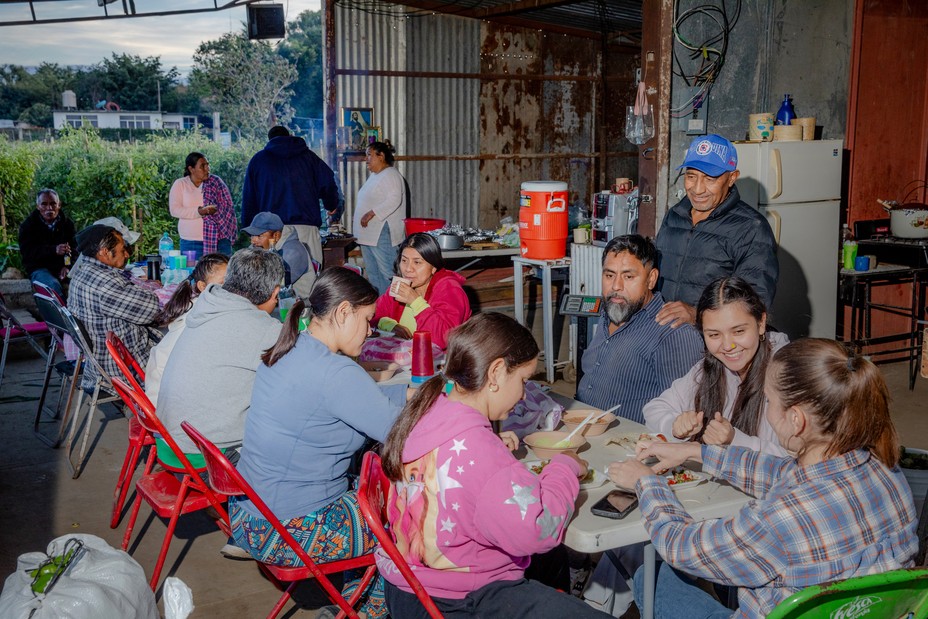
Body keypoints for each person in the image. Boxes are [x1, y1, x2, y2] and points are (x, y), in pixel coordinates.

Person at [609, 338, 918, 619]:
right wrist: (695, 452)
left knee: (652, 578)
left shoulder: (782, 517)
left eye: (770, 402)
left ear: (795, 419)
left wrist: (645, 481)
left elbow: (680, 546)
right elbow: (783, 473)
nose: (768, 411)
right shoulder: (887, 471)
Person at [377, 312, 609, 619]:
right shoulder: (480, 450)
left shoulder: (428, 412)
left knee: (549, 563)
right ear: (497, 372)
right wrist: (564, 467)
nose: (525, 393)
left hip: (409, 589)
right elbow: (540, 529)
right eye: (524, 380)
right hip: (458, 601)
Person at [232, 267, 410, 618]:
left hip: (248, 515)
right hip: (287, 530)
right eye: (367, 319)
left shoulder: (287, 349)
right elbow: (401, 433)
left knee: (366, 498)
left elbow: (355, 401)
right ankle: (364, 612)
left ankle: (350, 601)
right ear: (343, 312)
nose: (370, 329)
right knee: (403, 520)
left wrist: (406, 392)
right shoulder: (337, 373)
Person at [156, 248, 283, 461]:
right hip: (207, 459)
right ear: (275, 293)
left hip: (170, 443)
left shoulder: (207, 305)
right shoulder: (263, 329)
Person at [644, 277, 788, 456]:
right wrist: (674, 424)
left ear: (761, 323)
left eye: (738, 331)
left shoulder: (788, 375)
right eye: (714, 335)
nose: (728, 346)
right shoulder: (710, 366)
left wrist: (735, 439)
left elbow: (798, 461)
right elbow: (653, 409)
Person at [576, 235, 703, 425]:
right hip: (579, 429)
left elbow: (685, 416)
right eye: (609, 275)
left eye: (628, 277)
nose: (616, 286)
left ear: (651, 279)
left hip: (629, 447)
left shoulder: (673, 332)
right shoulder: (610, 311)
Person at [654, 134, 778, 328]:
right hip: (666, 334)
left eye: (710, 179)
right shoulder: (675, 215)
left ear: (732, 178)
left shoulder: (751, 227)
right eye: (691, 176)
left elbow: (754, 301)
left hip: (715, 342)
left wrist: (697, 314)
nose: (697, 189)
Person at [241, 126, 341, 291]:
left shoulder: (259, 160)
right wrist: (331, 204)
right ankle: (307, 315)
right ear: (289, 137)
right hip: (306, 228)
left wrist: (252, 232)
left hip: (272, 233)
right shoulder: (309, 157)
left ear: (270, 140)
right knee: (310, 283)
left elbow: (249, 199)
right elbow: (328, 182)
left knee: (270, 282)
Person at [67, 224, 160, 388]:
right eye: (122, 249)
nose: (126, 254)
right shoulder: (104, 283)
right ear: (104, 252)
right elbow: (152, 311)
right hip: (124, 368)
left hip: (98, 362)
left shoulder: (82, 272)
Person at [143, 253, 229, 408]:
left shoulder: (198, 306)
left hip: (160, 397)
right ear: (202, 286)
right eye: (224, 283)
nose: (231, 290)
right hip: (169, 407)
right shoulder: (204, 316)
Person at [373, 232, 470, 350]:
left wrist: (415, 302)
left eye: (417, 262)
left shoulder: (449, 289)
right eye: (404, 261)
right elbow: (371, 315)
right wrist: (390, 325)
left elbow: (442, 339)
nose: (408, 269)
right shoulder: (401, 286)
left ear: (433, 267)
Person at [353, 141, 407, 295]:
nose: (366, 159)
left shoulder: (391, 174)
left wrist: (371, 213)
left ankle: (397, 309)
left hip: (382, 233)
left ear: (381, 156)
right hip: (369, 236)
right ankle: (382, 310)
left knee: (389, 274)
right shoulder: (376, 176)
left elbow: (394, 199)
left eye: (369, 155)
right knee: (374, 275)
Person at [169, 151, 237, 257]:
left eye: (207, 165)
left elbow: (228, 207)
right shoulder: (181, 184)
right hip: (191, 243)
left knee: (223, 272)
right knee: (194, 272)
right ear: (191, 169)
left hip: (219, 240)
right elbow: (175, 210)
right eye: (202, 166)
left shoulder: (216, 182)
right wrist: (200, 211)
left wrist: (215, 211)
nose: (207, 169)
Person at [242, 212, 314, 300]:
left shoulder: (293, 252)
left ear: (276, 235)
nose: (253, 241)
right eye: (252, 235)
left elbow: (273, 285)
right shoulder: (261, 246)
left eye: (259, 236)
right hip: (278, 301)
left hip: (299, 306)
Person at [18, 188, 76, 299]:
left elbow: (74, 249)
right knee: (51, 287)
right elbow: (28, 252)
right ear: (38, 206)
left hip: (62, 269)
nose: (49, 208)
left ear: (59, 205)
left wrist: (67, 266)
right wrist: (53, 250)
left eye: (53, 204)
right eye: (44, 204)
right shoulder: (28, 226)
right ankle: (60, 316)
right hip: (39, 269)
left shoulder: (67, 224)